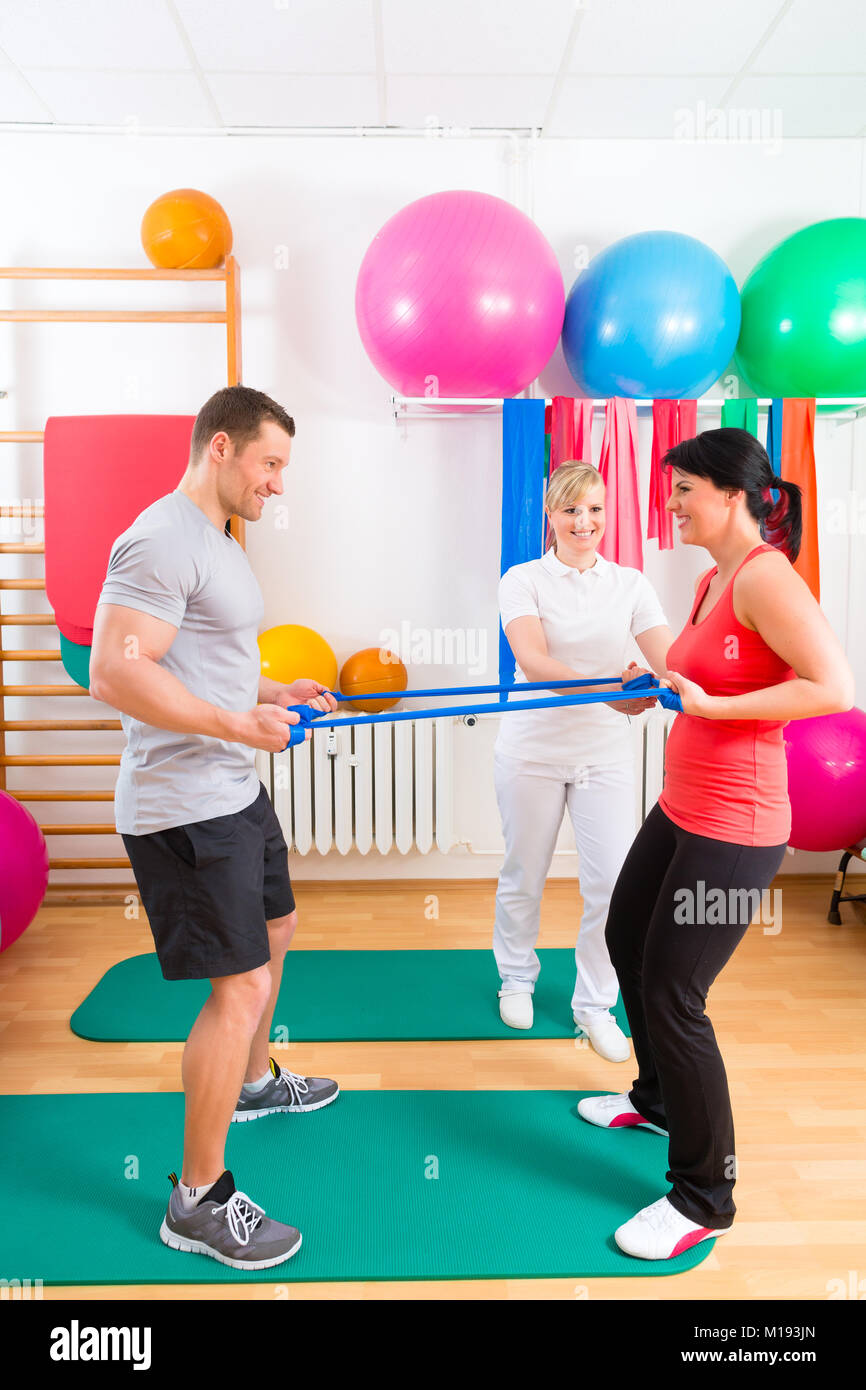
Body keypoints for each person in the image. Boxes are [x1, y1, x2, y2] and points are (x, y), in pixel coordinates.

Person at [578, 428, 855, 1260]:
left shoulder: (766, 576)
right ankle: (657, 1098)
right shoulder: (713, 579)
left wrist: (710, 710)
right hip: (684, 808)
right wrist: (659, 690)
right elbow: (708, 679)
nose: (671, 504)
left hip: (739, 830)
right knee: (627, 938)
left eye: (684, 490)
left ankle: (705, 1194)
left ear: (734, 496)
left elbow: (833, 687)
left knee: (673, 993)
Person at [90, 384, 339, 1270]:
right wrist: (240, 725)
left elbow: (204, 657)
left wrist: (271, 694)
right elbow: (115, 673)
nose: (278, 484)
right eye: (270, 464)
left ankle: (257, 1083)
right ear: (223, 447)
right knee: (234, 989)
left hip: (231, 789)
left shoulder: (219, 540)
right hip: (185, 807)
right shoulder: (161, 536)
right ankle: (195, 1198)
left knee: (278, 928)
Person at [494, 461, 673, 1059]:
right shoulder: (521, 580)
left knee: (611, 884)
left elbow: (667, 662)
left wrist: (649, 686)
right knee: (525, 872)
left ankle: (595, 1003)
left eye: (595, 508)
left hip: (605, 753)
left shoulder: (631, 584)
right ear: (550, 516)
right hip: (532, 750)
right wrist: (614, 689)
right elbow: (537, 664)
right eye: (571, 509)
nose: (584, 521)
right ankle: (516, 977)